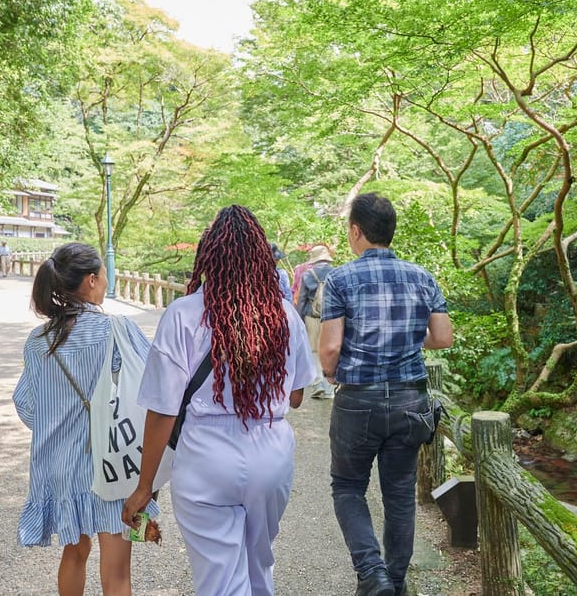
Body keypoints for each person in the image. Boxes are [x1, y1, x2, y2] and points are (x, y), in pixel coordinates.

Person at [122, 205, 316, 596]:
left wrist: (145, 486)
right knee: (258, 563)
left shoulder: (182, 315)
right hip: (270, 449)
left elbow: (163, 410)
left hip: (205, 455)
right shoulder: (284, 316)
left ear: (210, 254)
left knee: (221, 580)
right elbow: (295, 396)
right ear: (262, 255)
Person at [319, 193, 453, 596]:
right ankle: (394, 580)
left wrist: (329, 373)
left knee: (347, 486)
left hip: (359, 398)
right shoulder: (423, 277)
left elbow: (329, 349)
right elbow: (442, 338)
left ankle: (372, 573)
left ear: (356, 232)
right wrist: (406, 341)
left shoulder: (340, 280)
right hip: (411, 400)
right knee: (399, 493)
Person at [13, 242, 158, 596]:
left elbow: (26, 405)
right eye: (105, 274)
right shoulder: (117, 330)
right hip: (112, 463)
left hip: (60, 465)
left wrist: (59, 421)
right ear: (92, 280)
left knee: (75, 554)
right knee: (117, 571)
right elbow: (153, 389)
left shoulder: (37, 341)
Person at [295, 244, 335, 399]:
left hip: (311, 317)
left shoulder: (307, 275)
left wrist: (299, 321)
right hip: (332, 318)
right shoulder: (335, 273)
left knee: (314, 351)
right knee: (330, 349)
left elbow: (302, 300)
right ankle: (329, 388)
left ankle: (318, 382)